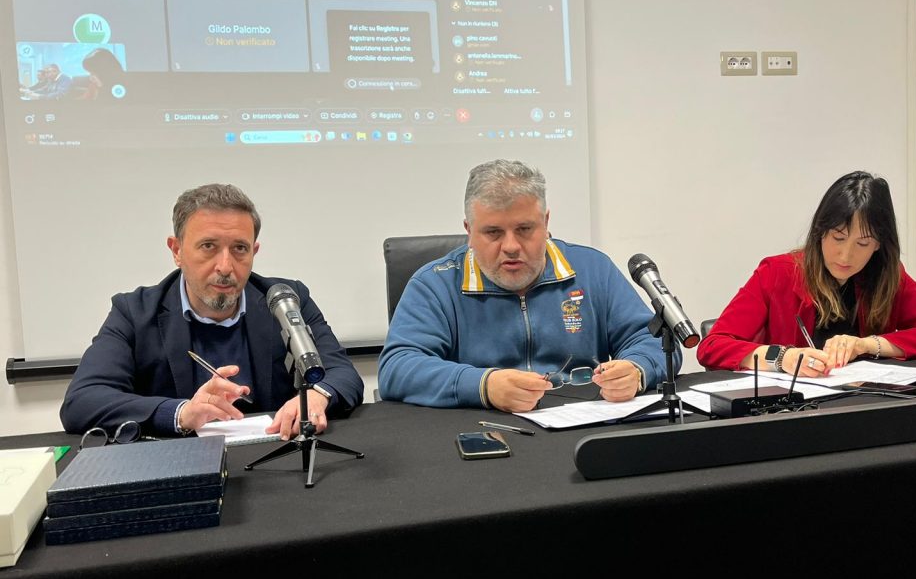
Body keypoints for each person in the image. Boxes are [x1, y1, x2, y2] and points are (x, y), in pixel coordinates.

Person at [60, 183, 363, 438]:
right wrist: (181, 413)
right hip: (179, 466)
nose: (225, 266)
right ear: (177, 250)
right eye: (208, 246)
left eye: (239, 248)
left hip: (275, 457)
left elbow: (342, 373)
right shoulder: (134, 312)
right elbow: (82, 401)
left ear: (254, 251)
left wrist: (317, 395)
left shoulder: (285, 299)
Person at [378, 159, 674, 412]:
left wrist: (637, 369)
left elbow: (655, 341)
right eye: (493, 232)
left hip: (582, 422)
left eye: (524, 229)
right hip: (486, 429)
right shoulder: (435, 284)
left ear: (546, 222)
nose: (511, 246)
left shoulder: (592, 269)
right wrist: (483, 385)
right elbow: (398, 368)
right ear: (469, 231)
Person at [696, 171, 916, 375]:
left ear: (879, 245)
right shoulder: (777, 272)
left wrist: (866, 345)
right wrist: (782, 357)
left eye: (862, 244)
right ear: (820, 232)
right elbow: (712, 346)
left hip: (863, 405)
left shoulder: (887, 276)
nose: (846, 256)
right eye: (838, 238)